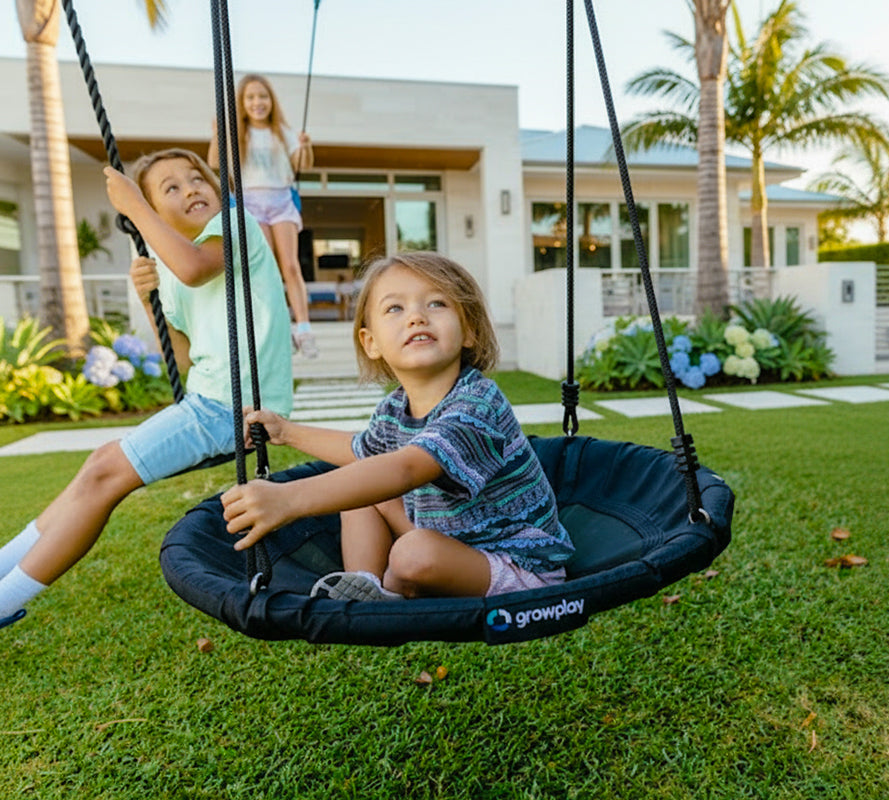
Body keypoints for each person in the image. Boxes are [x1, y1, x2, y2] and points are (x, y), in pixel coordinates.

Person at [0, 148, 293, 631]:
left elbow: (198, 266)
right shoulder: (168, 268)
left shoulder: (236, 227)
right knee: (98, 467)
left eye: (196, 177)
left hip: (237, 406)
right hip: (208, 399)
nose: (191, 188)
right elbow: (180, 357)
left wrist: (135, 206)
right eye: (170, 188)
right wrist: (150, 297)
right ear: (158, 213)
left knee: (103, 475)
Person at [220, 252, 575, 601]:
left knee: (412, 553)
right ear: (371, 343)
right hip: (449, 539)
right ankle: (366, 590)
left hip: (516, 562)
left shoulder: (477, 403)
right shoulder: (394, 409)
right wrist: (286, 432)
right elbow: (361, 451)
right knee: (360, 484)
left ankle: (394, 588)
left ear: (469, 331)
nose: (417, 317)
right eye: (395, 309)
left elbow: (406, 469)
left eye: (436, 304)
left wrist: (289, 499)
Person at [207, 73, 319, 358]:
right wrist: (217, 135)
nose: (258, 102)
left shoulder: (283, 132)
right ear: (242, 103)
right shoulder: (236, 134)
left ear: (271, 101)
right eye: (251, 97)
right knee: (265, 269)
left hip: (281, 199)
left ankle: (304, 328)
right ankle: (278, 327)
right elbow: (213, 163)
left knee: (290, 266)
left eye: (263, 96)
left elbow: (302, 164)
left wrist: (306, 146)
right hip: (251, 203)